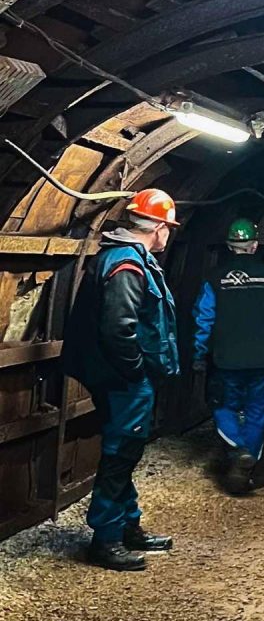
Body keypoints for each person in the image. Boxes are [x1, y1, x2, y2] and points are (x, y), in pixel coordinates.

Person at [62, 188, 181, 572]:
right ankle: (106, 538)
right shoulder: (127, 265)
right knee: (121, 453)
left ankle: (128, 525)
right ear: (159, 227)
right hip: (124, 379)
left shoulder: (128, 258)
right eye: (168, 227)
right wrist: (135, 373)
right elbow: (119, 329)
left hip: (120, 376)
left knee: (126, 450)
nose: (169, 235)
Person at [192, 219, 264, 493]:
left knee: (222, 406)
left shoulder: (214, 279)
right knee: (257, 410)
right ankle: (248, 464)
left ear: (229, 246)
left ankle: (237, 450)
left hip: (226, 359)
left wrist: (199, 353)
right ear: (255, 245)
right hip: (263, 358)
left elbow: (204, 319)